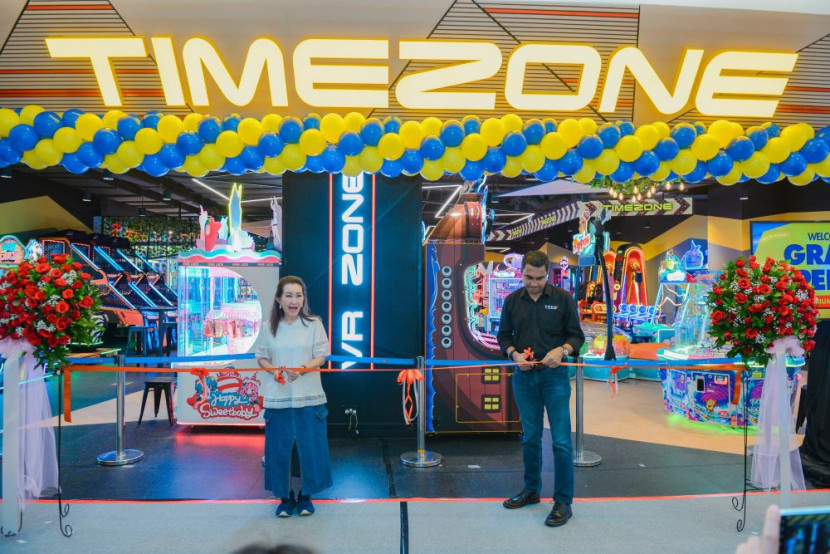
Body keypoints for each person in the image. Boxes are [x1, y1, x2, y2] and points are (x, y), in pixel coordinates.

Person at [497, 250, 585, 528]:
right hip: (524, 378)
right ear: (520, 272)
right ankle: (531, 490)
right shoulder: (512, 301)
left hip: (555, 378)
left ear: (547, 274)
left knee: (560, 441)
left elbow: (576, 336)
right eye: (528, 277)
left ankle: (563, 502)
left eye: (539, 278)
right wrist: (514, 355)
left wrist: (562, 349)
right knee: (530, 438)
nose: (533, 283)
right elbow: (503, 336)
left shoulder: (562, 299)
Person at [256, 276, 332, 517]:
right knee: (278, 449)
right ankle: (285, 498)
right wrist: (273, 371)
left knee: (311, 447)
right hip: (277, 398)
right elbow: (262, 357)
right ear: (279, 299)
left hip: (310, 397)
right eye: (289, 295)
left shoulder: (314, 325)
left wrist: (303, 368)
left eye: (299, 295)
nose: (294, 300)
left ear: (303, 300)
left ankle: (307, 497)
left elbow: (322, 355)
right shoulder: (268, 326)